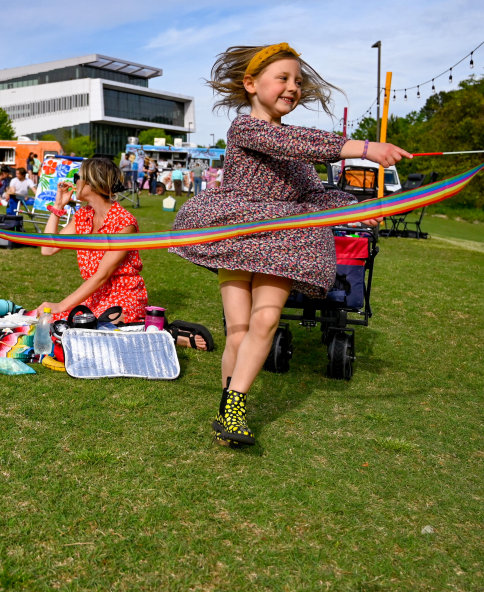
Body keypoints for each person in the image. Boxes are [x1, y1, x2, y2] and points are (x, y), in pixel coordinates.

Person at [169, 42, 410, 448]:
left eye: (297, 81)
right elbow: (293, 142)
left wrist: (356, 207)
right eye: (283, 78)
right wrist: (366, 149)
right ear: (251, 84)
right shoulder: (245, 128)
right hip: (238, 234)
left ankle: (234, 408)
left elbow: (314, 196)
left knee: (265, 321)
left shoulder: (298, 155)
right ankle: (228, 408)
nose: (293, 87)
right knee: (237, 331)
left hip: (282, 243)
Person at [38, 157, 148, 322]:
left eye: (77, 177)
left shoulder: (124, 223)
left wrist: (61, 306)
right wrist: (58, 206)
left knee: (90, 328)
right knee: (50, 321)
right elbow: (48, 249)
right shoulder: (83, 215)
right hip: (95, 294)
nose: (74, 182)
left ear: (93, 183)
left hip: (123, 295)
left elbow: (103, 275)